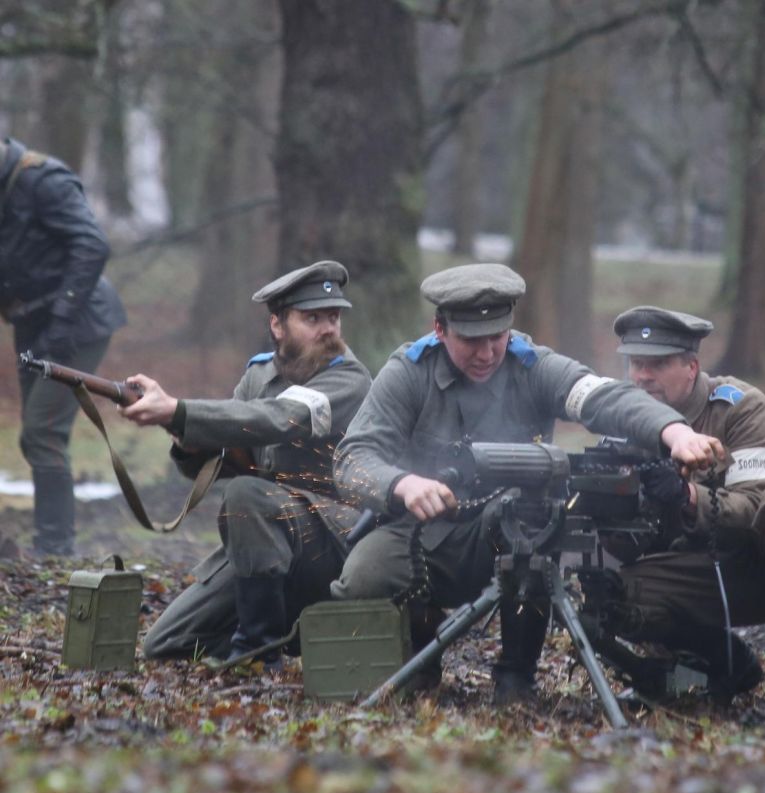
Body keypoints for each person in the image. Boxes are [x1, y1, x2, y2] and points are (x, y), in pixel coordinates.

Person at [330, 263, 726, 703]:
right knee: (363, 578)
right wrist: (402, 484)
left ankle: (517, 675)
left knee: (533, 516)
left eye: (497, 337)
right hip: (425, 529)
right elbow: (352, 460)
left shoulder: (533, 365)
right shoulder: (409, 371)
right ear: (439, 330)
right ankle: (419, 652)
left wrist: (673, 432)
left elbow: (604, 397)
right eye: (471, 340)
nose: (487, 353)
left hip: (513, 527)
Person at [603, 305, 765, 718]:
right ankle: (721, 664)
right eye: (636, 363)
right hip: (720, 568)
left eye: (658, 364)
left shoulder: (739, 406)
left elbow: (758, 503)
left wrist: (688, 497)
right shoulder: (627, 422)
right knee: (612, 591)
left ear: (692, 367)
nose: (643, 376)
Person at [121, 261, 371, 667]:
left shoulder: (349, 379)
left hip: (337, 547)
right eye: (312, 318)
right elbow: (227, 454)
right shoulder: (259, 376)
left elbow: (279, 419)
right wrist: (186, 436)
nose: (328, 329)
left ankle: (258, 651)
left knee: (248, 495)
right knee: (166, 642)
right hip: (268, 545)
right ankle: (288, 629)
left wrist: (178, 410)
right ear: (277, 325)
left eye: (333, 317)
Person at [0, 137, 127, 556]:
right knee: (38, 437)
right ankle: (51, 544)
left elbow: (93, 245)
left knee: (42, 433)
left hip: (75, 323)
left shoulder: (43, 180)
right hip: (31, 322)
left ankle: (54, 548)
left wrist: (62, 320)